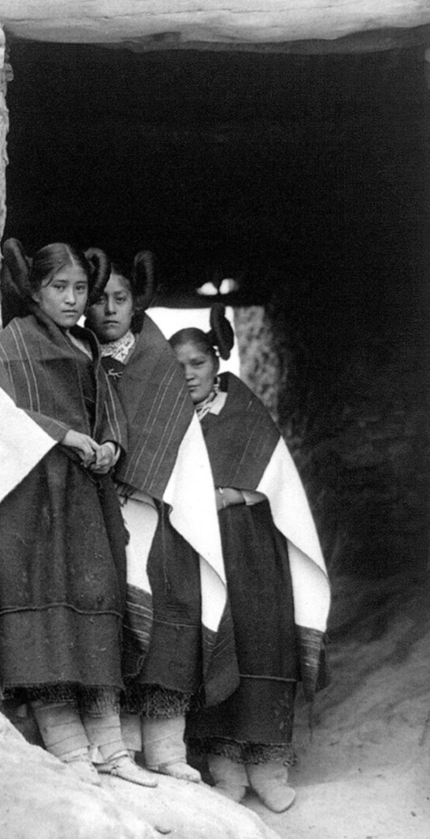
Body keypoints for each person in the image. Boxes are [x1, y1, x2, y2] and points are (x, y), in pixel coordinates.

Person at [0, 239, 156, 787]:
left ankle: (111, 750)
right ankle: (69, 748)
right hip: (34, 494)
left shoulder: (87, 344)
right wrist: (62, 434)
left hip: (86, 493)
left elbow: (109, 409)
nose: (72, 299)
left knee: (95, 596)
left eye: (80, 289)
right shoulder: (16, 341)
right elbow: (1, 416)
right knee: (44, 605)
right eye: (59, 288)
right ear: (34, 290)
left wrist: (110, 443)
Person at [170, 322, 330, 812]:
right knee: (217, 643)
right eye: (177, 368)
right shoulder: (169, 417)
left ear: (216, 362)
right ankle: (226, 768)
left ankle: (268, 768)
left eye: (198, 363)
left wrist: (230, 494)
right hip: (199, 551)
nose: (189, 375)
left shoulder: (241, 409)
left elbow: (277, 477)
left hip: (251, 547)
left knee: (262, 641)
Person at [85, 253, 229, 782]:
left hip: (161, 509)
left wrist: (144, 484)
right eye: (98, 299)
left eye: (120, 299)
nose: (108, 310)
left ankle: (166, 749)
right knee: (114, 616)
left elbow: (177, 439)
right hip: (99, 512)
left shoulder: (157, 363)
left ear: (135, 302)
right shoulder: (78, 355)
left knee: (170, 616)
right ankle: (119, 747)